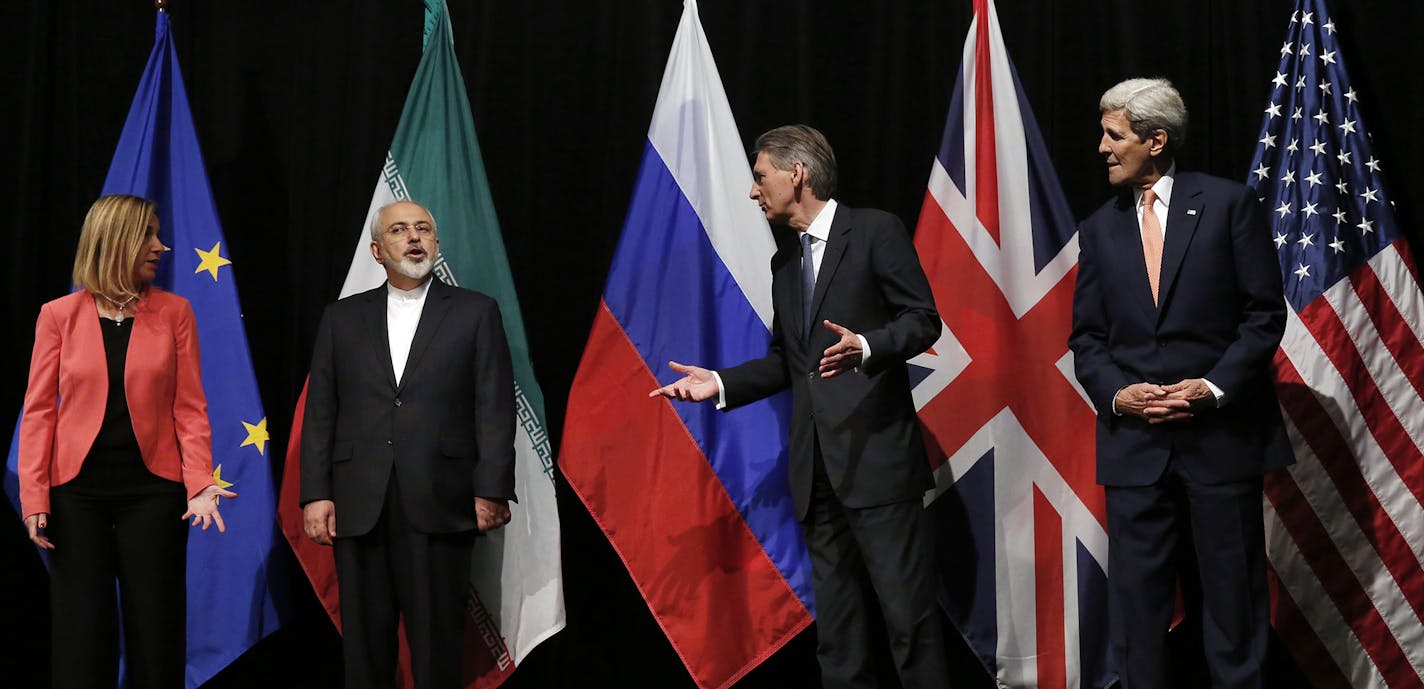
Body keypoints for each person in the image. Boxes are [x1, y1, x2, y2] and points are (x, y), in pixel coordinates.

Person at [650, 124, 951, 688]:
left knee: (909, 623)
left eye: (760, 176)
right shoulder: (784, 265)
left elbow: (921, 320)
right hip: (816, 475)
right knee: (837, 635)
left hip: (877, 466)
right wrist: (717, 383)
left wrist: (865, 346)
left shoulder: (874, 232)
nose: (753, 190)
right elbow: (787, 361)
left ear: (798, 174)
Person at [1068, 78, 1293, 688]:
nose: (1102, 148)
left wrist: (1211, 388)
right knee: (1137, 607)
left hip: (1219, 437)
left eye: (1115, 135)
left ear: (1156, 139)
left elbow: (1263, 314)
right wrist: (1119, 393)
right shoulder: (1097, 227)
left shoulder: (1227, 205)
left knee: (1232, 594)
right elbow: (1087, 337)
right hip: (1135, 444)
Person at [17, 193, 234, 689]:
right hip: (75, 495)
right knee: (81, 633)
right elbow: (37, 414)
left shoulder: (175, 312)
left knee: (156, 632)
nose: (162, 246)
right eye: (149, 236)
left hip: (153, 493)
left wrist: (199, 480)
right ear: (114, 241)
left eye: (158, 235)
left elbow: (190, 408)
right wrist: (34, 495)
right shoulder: (58, 316)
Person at [300, 200, 516, 689]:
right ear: (378, 250)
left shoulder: (476, 312)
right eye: (400, 230)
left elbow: (495, 407)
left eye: (423, 229)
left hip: (443, 499)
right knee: (366, 649)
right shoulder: (341, 318)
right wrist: (316, 493)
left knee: (438, 647)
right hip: (359, 502)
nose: (414, 237)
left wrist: (492, 488)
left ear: (436, 244)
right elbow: (321, 414)